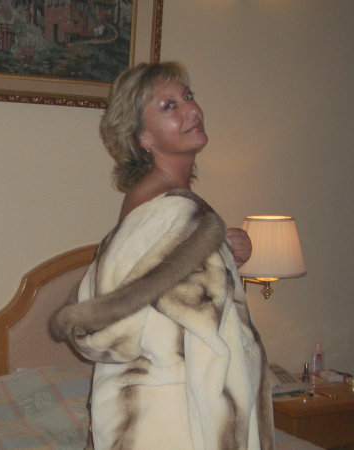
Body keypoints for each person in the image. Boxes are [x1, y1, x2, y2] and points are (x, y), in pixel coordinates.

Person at [51, 62, 275, 450]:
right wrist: (210, 251)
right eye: (169, 106)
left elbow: (165, 289)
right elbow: (117, 319)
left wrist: (222, 253)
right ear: (143, 137)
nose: (191, 110)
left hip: (178, 404)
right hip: (167, 413)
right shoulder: (159, 204)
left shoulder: (176, 205)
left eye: (187, 97)